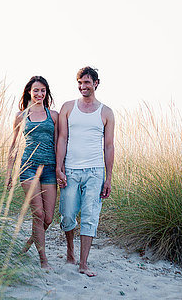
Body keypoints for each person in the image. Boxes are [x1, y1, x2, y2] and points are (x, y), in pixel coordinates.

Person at [56, 66, 115, 277]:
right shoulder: (68, 108)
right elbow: (62, 138)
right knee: (67, 214)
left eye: (87, 82)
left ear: (96, 84)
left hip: (95, 172)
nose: (83, 86)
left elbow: (108, 146)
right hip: (71, 170)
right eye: (80, 82)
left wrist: (108, 178)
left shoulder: (106, 112)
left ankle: (83, 263)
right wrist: (58, 167)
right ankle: (70, 251)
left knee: (90, 216)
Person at [6, 76, 59, 269]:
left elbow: (58, 143)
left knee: (48, 218)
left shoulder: (53, 115)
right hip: (28, 168)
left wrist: (60, 168)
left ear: (47, 93)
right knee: (38, 213)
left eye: (43, 90)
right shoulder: (21, 116)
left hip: (49, 169)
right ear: (29, 91)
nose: (39, 94)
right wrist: (8, 173)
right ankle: (43, 258)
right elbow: (13, 146)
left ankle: (30, 241)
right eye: (36, 90)